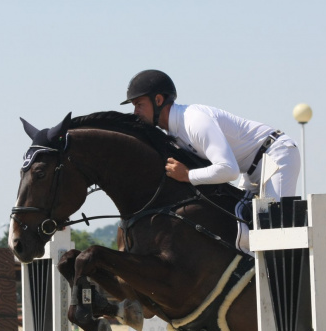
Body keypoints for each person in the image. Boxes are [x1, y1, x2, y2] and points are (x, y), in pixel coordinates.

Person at [121, 69, 301, 253]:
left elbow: (228, 170)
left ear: (158, 100)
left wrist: (188, 175)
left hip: (276, 154)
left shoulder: (194, 121)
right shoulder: (174, 133)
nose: (135, 112)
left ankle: (318, 264)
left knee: (273, 229)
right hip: (252, 168)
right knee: (239, 221)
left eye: (139, 104)